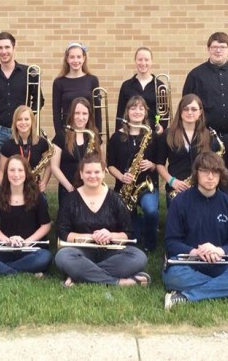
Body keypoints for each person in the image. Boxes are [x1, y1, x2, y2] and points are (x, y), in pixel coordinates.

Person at [163, 152, 228, 310]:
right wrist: (195, 251)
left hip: (219, 261)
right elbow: (171, 242)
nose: (210, 177)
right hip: (188, 262)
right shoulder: (179, 202)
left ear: (221, 175)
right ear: (196, 173)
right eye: (204, 171)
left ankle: (185, 297)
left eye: (215, 172)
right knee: (173, 277)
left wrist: (219, 250)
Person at [55, 153, 150, 288]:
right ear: (81, 174)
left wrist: (110, 235)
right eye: (88, 172)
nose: (93, 176)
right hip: (82, 251)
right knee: (63, 257)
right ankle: (119, 282)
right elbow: (63, 233)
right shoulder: (70, 200)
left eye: (97, 172)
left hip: (110, 252)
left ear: (104, 173)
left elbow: (127, 233)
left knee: (139, 256)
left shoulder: (115, 199)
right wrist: (91, 237)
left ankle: (79, 275)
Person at [0, 155, 52, 276]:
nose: (16, 174)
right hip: (6, 248)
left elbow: (45, 225)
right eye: (12, 170)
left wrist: (27, 242)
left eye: (20, 170)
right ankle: (21, 271)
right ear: (6, 173)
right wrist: (7, 241)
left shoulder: (37, 195)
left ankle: (2, 270)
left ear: (26, 173)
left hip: (29, 249)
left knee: (45, 257)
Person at [107, 96, 159, 251]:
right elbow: (110, 165)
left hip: (146, 186)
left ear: (146, 112)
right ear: (127, 112)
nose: (137, 111)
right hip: (124, 188)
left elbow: (160, 164)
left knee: (151, 210)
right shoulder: (117, 137)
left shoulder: (152, 136)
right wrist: (122, 177)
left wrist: (152, 164)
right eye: (133, 108)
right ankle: (137, 227)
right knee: (131, 240)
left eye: (141, 108)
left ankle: (150, 244)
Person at [0, 31, 45, 160]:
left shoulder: (29, 73)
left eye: (7, 47)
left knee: (26, 169)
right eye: (0, 48)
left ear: (14, 47)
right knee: (4, 172)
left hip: (23, 131)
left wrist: (27, 117)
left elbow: (39, 100)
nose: (3, 51)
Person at [156, 94, 221, 204]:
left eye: (194, 109)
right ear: (180, 112)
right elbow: (159, 164)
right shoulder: (168, 134)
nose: (189, 112)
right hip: (176, 189)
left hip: (202, 189)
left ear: (200, 112)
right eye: (185, 109)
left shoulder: (209, 135)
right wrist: (172, 181)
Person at [181, 32, 228, 135]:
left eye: (222, 47)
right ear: (208, 49)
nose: (218, 50)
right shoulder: (195, 75)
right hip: (204, 134)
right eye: (214, 47)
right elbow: (186, 104)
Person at [50, 97, 102, 209]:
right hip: (67, 189)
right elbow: (54, 166)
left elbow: (101, 164)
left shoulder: (94, 135)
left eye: (84, 114)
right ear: (71, 114)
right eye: (77, 113)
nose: (81, 117)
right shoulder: (61, 136)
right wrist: (70, 188)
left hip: (90, 188)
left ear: (89, 116)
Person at [0, 105, 52, 192]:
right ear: (15, 122)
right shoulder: (7, 145)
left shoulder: (41, 143)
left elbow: (48, 166)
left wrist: (44, 182)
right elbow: (1, 171)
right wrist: (5, 190)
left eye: (26, 119)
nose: (23, 122)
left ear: (32, 121)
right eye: (19, 119)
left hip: (34, 187)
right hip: (13, 188)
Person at [52, 42, 102, 135]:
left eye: (79, 57)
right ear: (67, 59)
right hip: (67, 131)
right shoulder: (59, 82)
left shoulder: (92, 80)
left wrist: (98, 135)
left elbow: (97, 111)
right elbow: (56, 113)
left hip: (88, 131)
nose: (75, 60)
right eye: (72, 57)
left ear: (84, 58)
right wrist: (60, 135)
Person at [115, 47, 164, 134]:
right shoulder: (126, 85)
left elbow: (164, 114)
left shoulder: (160, 86)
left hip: (154, 134)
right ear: (135, 61)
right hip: (130, 133)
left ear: (151, 61)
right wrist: (120, 134)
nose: (143, 63)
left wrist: (162, 128)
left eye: (146, 60)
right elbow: (120, 113)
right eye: (140, 60)